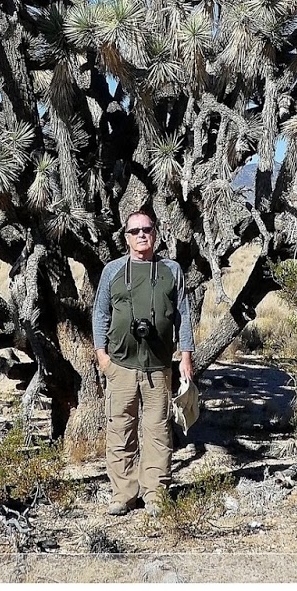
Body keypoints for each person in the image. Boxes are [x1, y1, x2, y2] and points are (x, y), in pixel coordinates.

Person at [91, 208, 195, 518]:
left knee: (158, 431)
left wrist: (186, 355)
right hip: (120, 365)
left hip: (159, 366)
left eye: (146, 229)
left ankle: (155, 494)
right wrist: (102, 357)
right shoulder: (112, 271)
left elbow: (183, 314)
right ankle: (123, 494)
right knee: (120, 429)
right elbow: (100, 314)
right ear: (125, 238)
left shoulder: (171, 270)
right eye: (134, 231)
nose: (141, 235)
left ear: (156, 233)